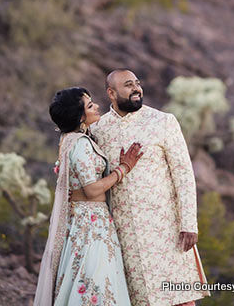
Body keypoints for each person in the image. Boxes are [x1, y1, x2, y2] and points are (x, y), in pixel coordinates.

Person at [90, 69, 212, 306]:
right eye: (128, 85)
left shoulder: (163, 121)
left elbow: (184, 174)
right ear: (111, 93)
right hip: (124, 235)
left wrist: (189, 223)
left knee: (179, 298)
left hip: (167, 230)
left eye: (137, 83)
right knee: (139, 299)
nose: (137, 88)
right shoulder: (98, 131)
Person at [33, 86, 143, 306]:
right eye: (91, 105)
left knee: (90, 282)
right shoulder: (80, 144)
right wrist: (123, 168)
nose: (97, 106)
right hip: (90, 228)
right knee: (96, 284)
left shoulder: (70, 140)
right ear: (80, 116)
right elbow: (92, 190)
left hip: (87, 223)